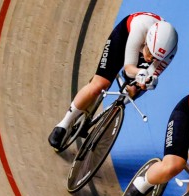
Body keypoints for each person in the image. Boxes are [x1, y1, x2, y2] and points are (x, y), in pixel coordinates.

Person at [48, 12, 178, 149]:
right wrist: (140, 72)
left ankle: (104, 118)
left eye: (154, 58)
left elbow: (151, 75)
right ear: (147, 41)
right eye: (149, 53)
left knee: (131, 92)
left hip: (150, 51)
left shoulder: (168, 53)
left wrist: (145, 82)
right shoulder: (140, 27)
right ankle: (63, 124)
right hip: (124, 37)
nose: (149, 59)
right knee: (99, 85)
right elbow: (128, 68)